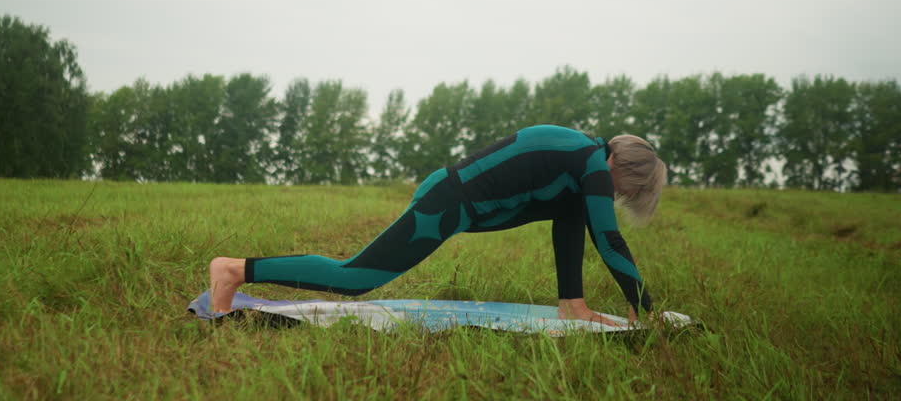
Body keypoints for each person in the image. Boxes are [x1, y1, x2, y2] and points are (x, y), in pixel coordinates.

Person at [209, 124, 667, 326]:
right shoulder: (589, 164)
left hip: (453, 201)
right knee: (355, 278)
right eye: (627, 189)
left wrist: (580, 301)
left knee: (573, 209)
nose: (620, 196)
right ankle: (235, 269)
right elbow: (609, 239)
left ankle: (573, 303)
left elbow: (576, 225)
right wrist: (646, 310)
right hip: (444, 204)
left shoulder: (581, 162)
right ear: (622, 167)